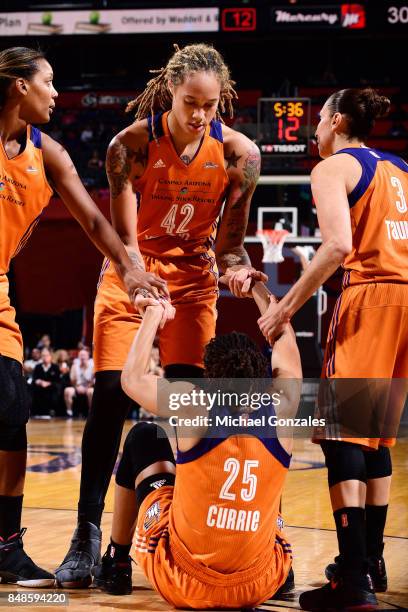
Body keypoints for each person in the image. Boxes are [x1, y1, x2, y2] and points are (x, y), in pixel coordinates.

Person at [56, 42, 266, 587]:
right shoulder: (130, 145)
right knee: (108, 402)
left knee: (191, 412)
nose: (200, 115)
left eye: (210, 105)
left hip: (195, 283)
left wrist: (239, 271)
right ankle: (85, 536)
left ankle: (191, 531)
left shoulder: (241, 155)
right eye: (191, 102)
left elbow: (232, 247)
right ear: (170, 90)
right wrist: (136, 279)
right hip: (133, 272)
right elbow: (124, 240)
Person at [0, 46, 167, 588]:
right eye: (47, 82)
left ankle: (5, 546)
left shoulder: (47, 152)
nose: (56, 92)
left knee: (12, 412)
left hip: (0, 295)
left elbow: (95, 222)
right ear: (19, 86)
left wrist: (130, 268)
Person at [257, 88, 408, 610]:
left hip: (372, 298)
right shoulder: (401, 167)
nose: (313, 129)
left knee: (342, 433)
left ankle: (353, 582)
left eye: (318, 118)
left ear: (338, 121)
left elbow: (340, 246)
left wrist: (284, 307)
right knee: (377, 439)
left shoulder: (334, 167)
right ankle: (370, 561)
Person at [92, 281, 301, 608]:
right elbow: (284, 338)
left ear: (210, 378)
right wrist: (259, 290)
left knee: (144, 436)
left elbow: (131, 379)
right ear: (263, 373)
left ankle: (116, 562)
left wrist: (153, 315)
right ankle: (284, 578)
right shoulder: (284, 406)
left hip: (185, 583)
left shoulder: (196, 404)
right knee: (268, 479)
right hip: (257, 584)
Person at [64, 348, 94, 417]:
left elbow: (93, 380)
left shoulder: (92, 366)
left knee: (91, 391)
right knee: (67, 390)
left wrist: (86, 388)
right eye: (81, 355)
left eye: (84, 355)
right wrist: (76, 387)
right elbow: (72, 380)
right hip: (77, 387)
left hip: (88, 387)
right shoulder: (74, 366)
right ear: (78, 357)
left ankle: (91, 411)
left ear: (88, 356)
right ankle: (69, 411)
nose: (82, 357)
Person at [32, 347, 60, 418]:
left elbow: (58, 381)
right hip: (40, 388)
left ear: (50, 356)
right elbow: (34, 379)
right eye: (43, 355)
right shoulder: (38, 367)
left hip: (51, 388)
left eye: (47, 355)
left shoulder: (55, 367)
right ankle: (37, 412)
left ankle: (51, 411)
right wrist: (39, 381)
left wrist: (49, 383)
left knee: (54, 390)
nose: (45, 357)